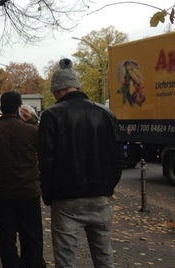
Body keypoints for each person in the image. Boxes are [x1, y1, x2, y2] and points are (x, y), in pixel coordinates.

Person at [38, 58, 122, 268]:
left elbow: (46, 159)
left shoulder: (51, 115)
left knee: (66, 259)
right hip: (99, 195)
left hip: (65, 198)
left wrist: (48, 194)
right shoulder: (105, 113)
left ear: (57, 90)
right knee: (104, 256)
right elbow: (117, 156)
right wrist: (108, 187)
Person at [0, 91, 44, 268]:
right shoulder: (31, 131)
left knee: (6, 238)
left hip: (1, 195)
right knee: (32, 237)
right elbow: (44, 159)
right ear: (18, 107)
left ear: (1, 107)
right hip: (28, 193)